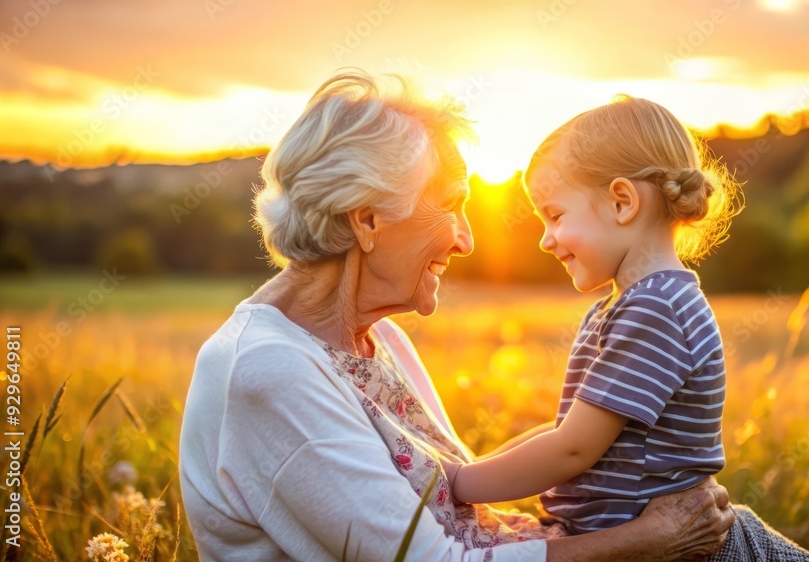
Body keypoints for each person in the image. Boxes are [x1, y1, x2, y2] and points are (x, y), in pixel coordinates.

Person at [178, 70, 736, 561]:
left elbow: (472, 493)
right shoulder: (270, 373)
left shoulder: (381, 339)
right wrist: (643, 544)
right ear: (368, 220)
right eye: (450, 203)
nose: (467, 240)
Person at [442, 96, 809, 561]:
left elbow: (572, 449)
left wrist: (456, 485)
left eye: (555, 215)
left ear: (622, 202)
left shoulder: (656, 309)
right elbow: (567, 430)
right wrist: (469, 470)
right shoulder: (624, 305)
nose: (544, 239)